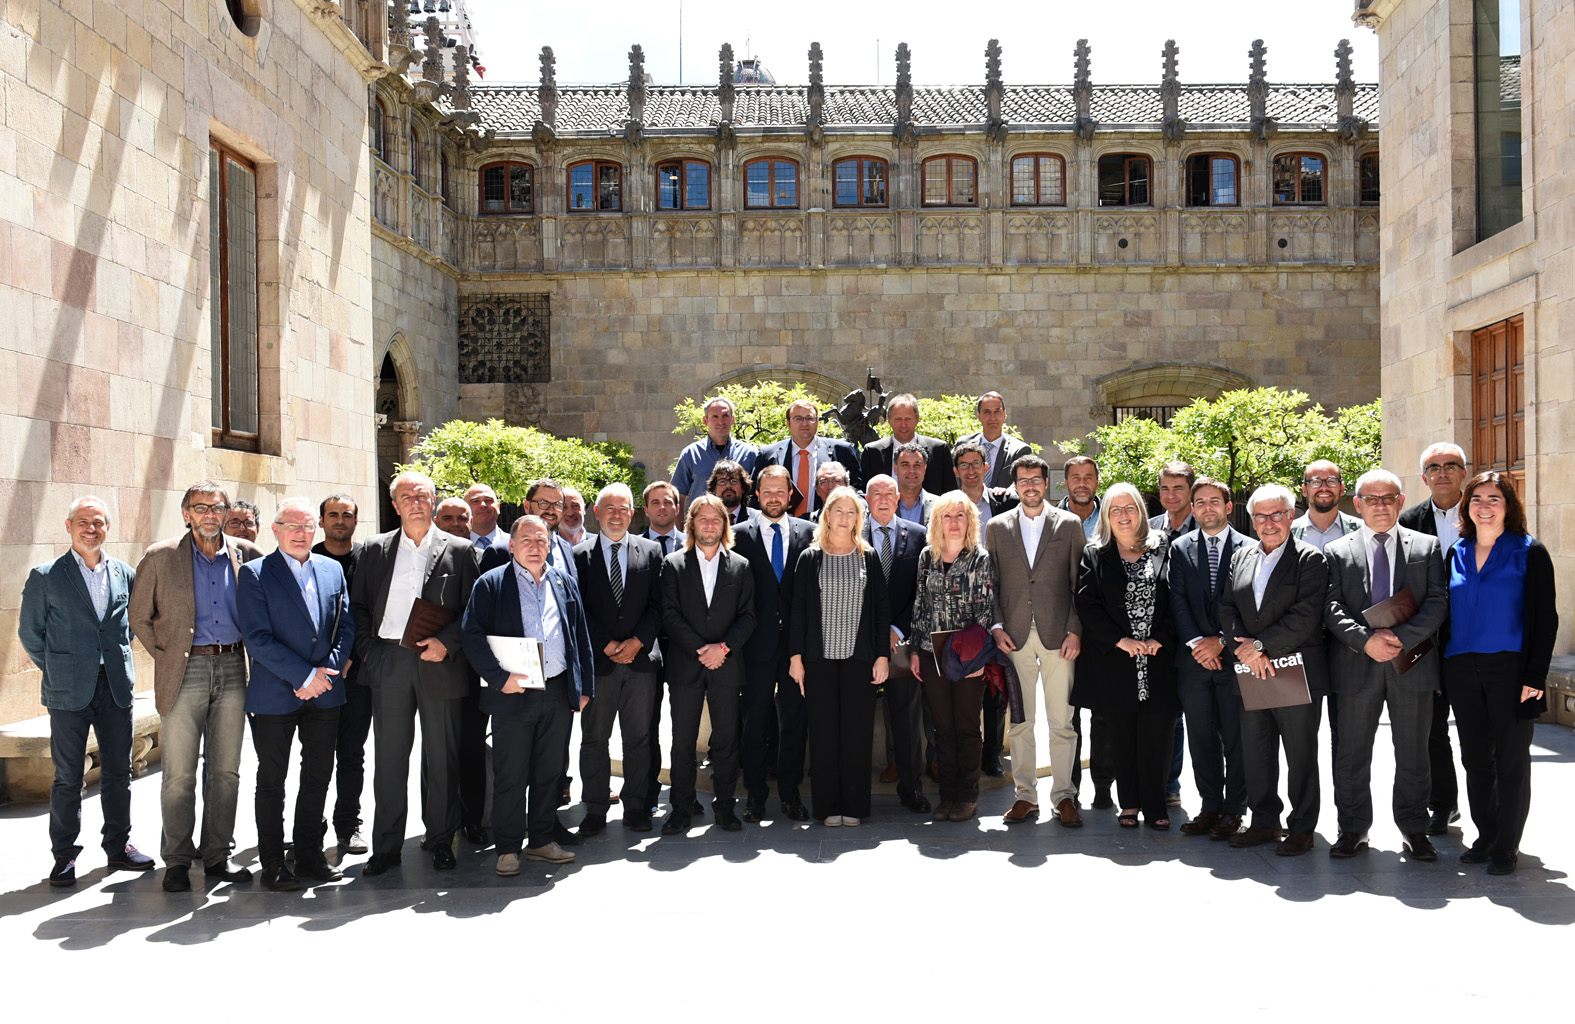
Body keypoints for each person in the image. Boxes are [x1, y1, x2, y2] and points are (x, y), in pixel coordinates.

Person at [129, 481, 264, 893]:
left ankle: (218, 855)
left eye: (217, 507)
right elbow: (139, 617)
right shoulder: (160, 556)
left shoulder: (248, 555)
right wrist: (168, 655)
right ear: (186, 513)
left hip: (233, 668)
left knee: (225, 771)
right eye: (200, 507)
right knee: (178, 774)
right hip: (184, 672)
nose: (210, 514)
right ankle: (176, 859)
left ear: (226, 512)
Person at [349, 471, 480, 875]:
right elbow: (357, 608)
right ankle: (386, 848)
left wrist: (448, 643)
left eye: (422, 495)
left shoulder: (459, 550)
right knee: (389, 758)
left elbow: (473, 612)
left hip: (438, 662)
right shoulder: (372, 549)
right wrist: (371, 653)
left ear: (434, 500)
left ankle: (441, 840)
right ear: (395, 505)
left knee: (441, 757)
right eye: (406, 496)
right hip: (389, 662)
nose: (415, 502)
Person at [20, 496, 154, 886]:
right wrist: (61, 667)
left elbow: (128, 626)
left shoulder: (125, 574)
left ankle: (119, 846)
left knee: (118, 772)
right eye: (83, 521)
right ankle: (64, 856)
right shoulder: (45, 576)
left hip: (114, 686)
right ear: (68, 526)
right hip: (68, 690)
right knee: (67, 777)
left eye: (98, 522)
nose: (90, 528)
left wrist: (109, 656)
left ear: (107, 528)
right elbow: (31, 634)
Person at [1323, 469, 1448, 862]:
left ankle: (1414, 829)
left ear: (1401, 500)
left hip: (1412, 664)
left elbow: (1438, 602)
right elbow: (1331, 607)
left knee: (1414, 752)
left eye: (1388, 497)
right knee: (1351, 754)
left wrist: (1402, 639)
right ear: (1357, 504)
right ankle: (1353, 828)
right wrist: (1367, 641)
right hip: (1357, 665)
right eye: (1372, 499)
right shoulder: (1338, 551)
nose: (1380, 505)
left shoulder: (1426, 547)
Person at [462, 516, 595, 874]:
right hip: (512, 693)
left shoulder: (563, 582)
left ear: (550, 544)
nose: (535, 546)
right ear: (512, 545)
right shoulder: (491, 584)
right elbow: (471, 636)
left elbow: (579, 635)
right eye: (527, 540)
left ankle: (540, 840)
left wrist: (583, 688)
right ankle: (507, 848)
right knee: (511, 774)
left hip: (556, 692)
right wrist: (498, 678)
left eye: (541, 539)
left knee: (548, 772)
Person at [236, 498, 356, 890]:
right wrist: (303, 676)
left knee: (318, 775)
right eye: (294, 526)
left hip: (325, 692)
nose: (302, 534)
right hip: (275, 694)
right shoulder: (255, 574)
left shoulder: (332, 570)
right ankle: (272, 862)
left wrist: (326, 675)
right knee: (272, 780)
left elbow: (346, 627)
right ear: (275, 529)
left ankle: (308, 853)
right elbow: (257, 637)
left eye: (308, 527)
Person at [1443, 471, 1556, 876]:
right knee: (1475, 758)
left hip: (1511, 669)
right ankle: (1485, 835)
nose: (1484, 506)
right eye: (1477, 498)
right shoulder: (1456, 550)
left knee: (1511, 759)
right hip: (1461, 668)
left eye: (1494, 499)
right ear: (1466, 506)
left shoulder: (1529, 550)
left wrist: (1536, 676)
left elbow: (1546, 618)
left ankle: (1507, 844)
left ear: (1509, 506)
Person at [1219, 484, 1331, 857]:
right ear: (1251, 521)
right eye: (1261, 516)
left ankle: (1302, 827)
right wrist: (1246, 651)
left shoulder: (1310, 559)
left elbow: (1306, 615)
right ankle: (1264, 821)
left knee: (1300, 753)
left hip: (1293, 669)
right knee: (1256, 750)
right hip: (1251, 669)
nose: (1269, 523)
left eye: (1277, 514)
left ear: (1291, 515)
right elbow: (1227, 608)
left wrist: (1261, 646)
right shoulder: (1242, 556)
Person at [984, 454, 1085, 827]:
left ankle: (1064, 796)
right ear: (1015, 485)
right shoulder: (996, 527)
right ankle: (1025, 796)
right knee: (1021, 723)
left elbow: (1080, 583)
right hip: (1013, 637)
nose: (1030, 486)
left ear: (1047, 483)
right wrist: (996, 626)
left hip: (1059, 636)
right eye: (1023, 480)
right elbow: (990, 583)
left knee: (1062, 721)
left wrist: (1076, 630)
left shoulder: (1070, 524)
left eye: (1036, 479)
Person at [1073, 483, 1179, 829]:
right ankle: (1129, 803)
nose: (1123, 515)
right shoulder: (1095, 553)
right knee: (1122, 735)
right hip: (1115, 661)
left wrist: (1159, 638)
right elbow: (1087, 606)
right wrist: (1120, 640)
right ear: (1106, 516)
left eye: (1129, 507)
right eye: (1115, 510)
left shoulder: (1164, 546)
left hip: (1158, 659)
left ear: (1141, 512)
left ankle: (1156, 805)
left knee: (1158, 735)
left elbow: (1177, 598)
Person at [789, 486, 891, 826]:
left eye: (851, 512)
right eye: (838, 511)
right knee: (823, 734)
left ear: (857, 518)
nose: (844, 518)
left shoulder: (868, 556)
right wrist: (796, 657)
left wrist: (881, 656)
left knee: (857, 734)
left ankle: (855, 807)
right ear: (827, 515)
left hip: (858, 659)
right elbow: (798, 612)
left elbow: (880, 611)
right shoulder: (810, 557)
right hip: (818, 661)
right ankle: (827, 807)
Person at [658, 495, 757, 835]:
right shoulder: (673, 564)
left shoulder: (741, 566)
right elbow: (669, 614)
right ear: (692, 524)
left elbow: (748, 616)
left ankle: (726, 808)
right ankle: (682, 808)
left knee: (727, 741)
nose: (710, 524)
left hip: (727, 665)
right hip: (687, 664)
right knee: (682, 741)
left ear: (725, 525)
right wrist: (702, 649)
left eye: (717, 519)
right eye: (703, 519)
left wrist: (723, 649)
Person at [571, 484, 663, 835]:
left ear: (632, 512)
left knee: (639, 738)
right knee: (595, 738)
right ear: (597, 512)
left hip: (640, 663)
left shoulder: (651, 551)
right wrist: (607, 644)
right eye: (609, 508)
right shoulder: (580, 555)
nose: (616, 515)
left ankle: (637, 806)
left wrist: (638, 642)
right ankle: (595, 808)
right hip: (600, 662)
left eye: (623, 508)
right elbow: (577, 607)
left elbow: (659, 605)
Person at [732, 465, 816, 822]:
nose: (774, 497)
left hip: (798, 647)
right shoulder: (737, 535)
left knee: (795, 722)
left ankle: (790, 794)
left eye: (781, 491)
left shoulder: (810, 533)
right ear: (757, 494)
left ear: (790, 495)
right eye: (767, 491)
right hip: (754, 647)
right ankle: (754, 795)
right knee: (755, 723)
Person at [1168, 477, 1249, 839]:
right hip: (1194, 662)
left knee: (1237, 739)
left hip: (1235, 660)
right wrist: (1198, 645)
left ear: (1229, 507)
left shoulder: (1250, 548)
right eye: (1200, 502)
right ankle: (1210, 807)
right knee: (1201, 740)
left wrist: (1220, 641)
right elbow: (1177, 601)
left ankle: (1235, 810)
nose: (1207, 508)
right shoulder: (1180, 548)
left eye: (1214, 502)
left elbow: (1249, 605)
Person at [909, 491, 996, 822]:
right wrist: (916, 650)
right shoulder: (926, 558)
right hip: (932, 654)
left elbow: (985, 612)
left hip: (967, 658)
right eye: (947, 515)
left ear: (970, 520)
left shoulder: (980, 558)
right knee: (942, 728)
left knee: (967, 727)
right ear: (937, 521)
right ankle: (947, 795)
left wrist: (976, 660)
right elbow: (920, 605)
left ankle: (967, 796)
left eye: (961, 515)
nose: (954, 522)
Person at [1398, 441, 1468, 835]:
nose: (1442, 473)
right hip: (1425, 642)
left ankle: (1492, 809)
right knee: (1429, 729)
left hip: (1474, 640)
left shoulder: (1484, 514)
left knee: (1480, 730)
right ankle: (1441, 804)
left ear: (1463, 472)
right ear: (1424, 477)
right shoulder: (1408, 521)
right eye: (1434, 467)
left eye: (1450, 465)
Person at [863, 475, 932, 813]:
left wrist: (894, 627)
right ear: (867, 498)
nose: (884, 498)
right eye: (877, 493)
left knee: (905, 718)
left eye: (890, 492)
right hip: (859, 643)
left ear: (899, 497)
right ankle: (855, 788)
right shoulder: (850, 532)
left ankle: (911, 787)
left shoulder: (918, 535)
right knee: (856, 716)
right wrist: (874, 629)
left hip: (901, 642)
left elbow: (923, 590)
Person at [313, 493, 371, 854]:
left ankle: (349, 825)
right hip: (314, 676)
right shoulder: (309, 557)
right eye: (332, 514)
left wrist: (353, 658)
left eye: (346, 515)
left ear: (355, 521)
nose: (339, 520)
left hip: (357, 676)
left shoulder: (369, 559)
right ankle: (311, 827)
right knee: (316, 757)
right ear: (321, 521)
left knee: (352, 755)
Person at [1149, 461, 1196, 806]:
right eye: (1164, 488)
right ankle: (1169, 785)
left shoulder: (1208, 525)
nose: (1170, 495)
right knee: (1168, 717)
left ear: (1191, 491)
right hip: (1160, 640)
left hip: (1201, 639)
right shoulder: (1146, 530)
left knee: (1208, 720)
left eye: (1178, 488)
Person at [638, 481, 685, 814]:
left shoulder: (694, 545)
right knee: (648, 722)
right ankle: (649, 790)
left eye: (668, 502)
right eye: (655, 502)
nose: (662, 507)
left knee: (685, 723)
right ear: (646, 510)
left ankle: (685, 794)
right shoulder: (634, 547)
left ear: (677, 507)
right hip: (648, 648)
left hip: (684, 647)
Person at [755, 398, 861, 518]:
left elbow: (858, 490)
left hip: (827, 525)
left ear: (817, 421)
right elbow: (754, 496)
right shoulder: (768, 454)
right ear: (788, 423)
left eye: (809, 418)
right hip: (782, 526)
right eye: (798, 418)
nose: (804, 423)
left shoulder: (842, 451)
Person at [859, 393, 955, 496]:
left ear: (917, 420)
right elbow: (864, 492)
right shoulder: (872, 452)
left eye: (908, 419)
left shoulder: (938, 450)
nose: (903, 425)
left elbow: (951, 492)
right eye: (898, 419)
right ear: (889, 421)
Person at [670, 395, 760, 504]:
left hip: (740, 520)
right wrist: (680, 521)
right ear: (705, 421)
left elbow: (759, 493)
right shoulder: (691, 454)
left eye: (725, 416)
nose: (721, 421)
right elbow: (678, 495)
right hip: (702, 520)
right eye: (715, 416)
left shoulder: (750, 454)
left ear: (732, 419)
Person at [958, 390, 1032, 490]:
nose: (992, 417)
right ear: (979, 416)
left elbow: (1023, 483)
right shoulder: (963, 444)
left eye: (997, 412)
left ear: (1004, 414)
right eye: (987, 412)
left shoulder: (1020, 450)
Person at [953, 439, 1018, 531]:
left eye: (976, 464)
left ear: (986, 468)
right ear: (956, 471)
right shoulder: (949, 506)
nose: (971, 470)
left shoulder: (1006, 502)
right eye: (964, 465)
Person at [893, 442, 938, 526]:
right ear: (895, 469)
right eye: (905, 465)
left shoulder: (940, 505)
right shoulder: (885, 505)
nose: (912, 471)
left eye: (917, 465)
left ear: (925, 469)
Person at [1058, 456, 1101, 541]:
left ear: (1096, 484)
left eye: (1088, 478)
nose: (1082, 484)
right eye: (1076, 478)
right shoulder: (1051, 523)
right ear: (1066, 483)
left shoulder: (1111, 519)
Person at [706, 459, 757, 527]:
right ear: (714, 488)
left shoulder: (757, 519)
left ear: (743, 488)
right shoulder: (704, 520)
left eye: (734, 481)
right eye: (722, 481)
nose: (728, 486)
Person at [465, 483, 507, 554]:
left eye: (489, 500)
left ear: (498, 507)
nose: (483, 505)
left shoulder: (514, 544)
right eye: (475, 501)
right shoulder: (455, 547)